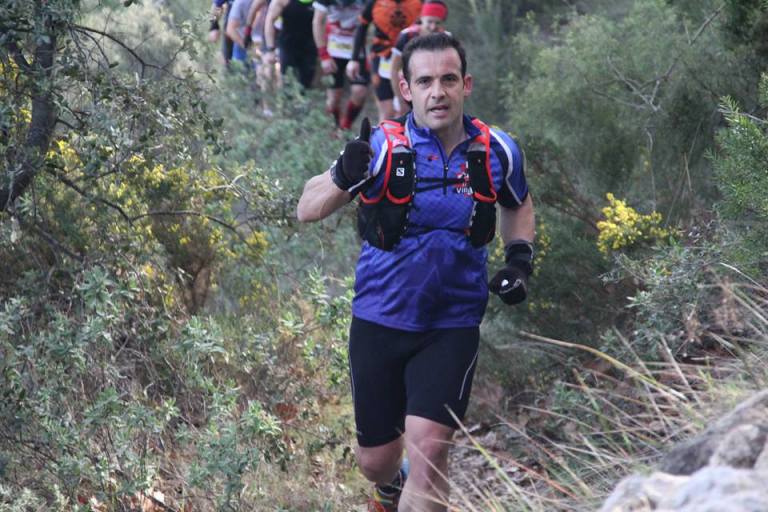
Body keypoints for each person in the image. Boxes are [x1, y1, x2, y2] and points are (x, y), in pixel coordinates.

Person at [297, 33, 535, 512]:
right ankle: (389, 488)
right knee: (376, 462)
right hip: (380, 319)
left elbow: (518, 203)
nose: (438, 92)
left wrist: (519, 258)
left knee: (430, 449)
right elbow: (307, 207)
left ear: (466, 84)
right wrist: (344, 175)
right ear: (405, 89)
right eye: (425, 81)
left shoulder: (498, 150)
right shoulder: (383, 147)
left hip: (452, 323)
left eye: (448, 79)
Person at [346, 0, 422, 122]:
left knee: (405, 110)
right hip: (381, 57)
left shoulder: (419, 3)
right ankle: (384, 139)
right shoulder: (374, 2)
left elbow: (429, 24)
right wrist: (354, 59)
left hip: (409, 59)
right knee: (387, 112)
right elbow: (361, 27)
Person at [312, 0, 370, 129]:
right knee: (333, 99)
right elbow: (317, 22)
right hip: (333, 51)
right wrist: (323, 55)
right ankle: (334, 129)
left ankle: (345, 127)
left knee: (359, 92)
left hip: (358, 51)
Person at [389, 0, 448, 116]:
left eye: (438, 23)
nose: (433, 27)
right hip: (407, 86)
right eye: (429, 21)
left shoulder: (446, 38)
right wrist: (401, 101)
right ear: (421, 19)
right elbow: (394, 70)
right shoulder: (406, 36)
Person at [264, 0, 317, 89]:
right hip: (288, 46)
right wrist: (270, 49)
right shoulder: (282, 1)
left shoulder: (320, 2)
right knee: (287, 84)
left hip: (310, 49)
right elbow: (270, 21)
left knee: (306, 86)